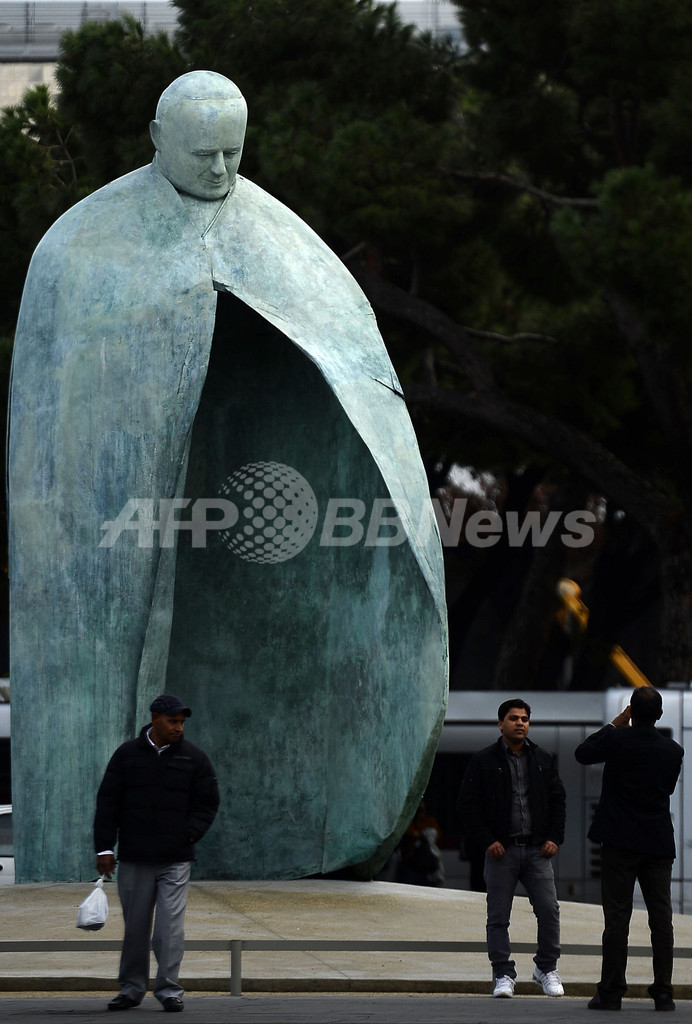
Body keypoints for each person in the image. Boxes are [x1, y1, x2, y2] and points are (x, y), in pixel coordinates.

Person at [8, 70, 447, 886]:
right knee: (92, 663)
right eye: (202, 153)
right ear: (154, 135)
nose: (218, 171)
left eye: (233, 153)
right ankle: (70, 854)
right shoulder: (77, 246)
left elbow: (361, 383)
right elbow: (50, 433)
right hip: (91, 549)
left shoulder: (292, 249)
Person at [94, 694, 220, 1013]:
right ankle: (132, 988)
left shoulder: (194, 758)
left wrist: (188, 834)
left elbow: (208, 802)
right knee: (135, 927)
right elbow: (108, 802)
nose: (179, 728)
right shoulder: (127, 755)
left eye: (181, 723)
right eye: (172, 721)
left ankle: (168, 989)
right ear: (155, 719)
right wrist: (105, 847)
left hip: (175, 859)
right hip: (135, 857)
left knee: (169, 927)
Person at [575, 686, 684, 1012]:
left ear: (631, 712)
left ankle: (611, 992)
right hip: (657, 843)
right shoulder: (673, 751)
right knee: (661, 919)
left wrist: (615, 724)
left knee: (617, 918)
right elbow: (665, 788)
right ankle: (663, 992)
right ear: (660, 714)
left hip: (619, 844)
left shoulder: (616, 740)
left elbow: (583, 753)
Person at [457, 698, 566, 999]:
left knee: (549, 910)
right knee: (498, 916)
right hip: (501, 852)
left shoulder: (542, 758)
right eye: (514, 718)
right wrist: (487, 839)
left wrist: (555, 838)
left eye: (525, 719)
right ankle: (503, 974)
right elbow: (467, 806)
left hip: (536, 850)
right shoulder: (483, 761)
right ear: (500, 723)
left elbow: (558, 800)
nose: (520, 723)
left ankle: (546, 968)